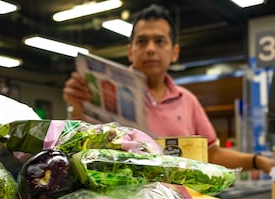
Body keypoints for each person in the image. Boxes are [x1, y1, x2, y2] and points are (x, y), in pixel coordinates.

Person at [62, 4, 275, 174]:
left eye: (159, 41)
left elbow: (212, 153)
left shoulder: (188, 101)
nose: (151, 49)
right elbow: (81, 148)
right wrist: (77, 107)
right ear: (130, 51)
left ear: (174, 52)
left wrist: (257, 161)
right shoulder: (101, 94)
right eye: (142, 41)